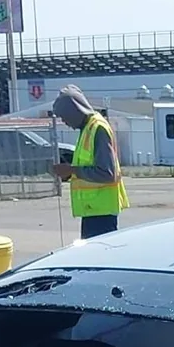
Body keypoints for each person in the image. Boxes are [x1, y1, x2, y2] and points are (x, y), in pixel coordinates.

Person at [49, 85, 128, 239]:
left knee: (100, 252)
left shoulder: (97, 128)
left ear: (74, 111)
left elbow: (107, 174)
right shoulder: (87, 129)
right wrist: (69, 172)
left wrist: (72, 170)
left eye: (64, 116)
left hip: (102, 212)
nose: (64, 121)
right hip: (94, 210)